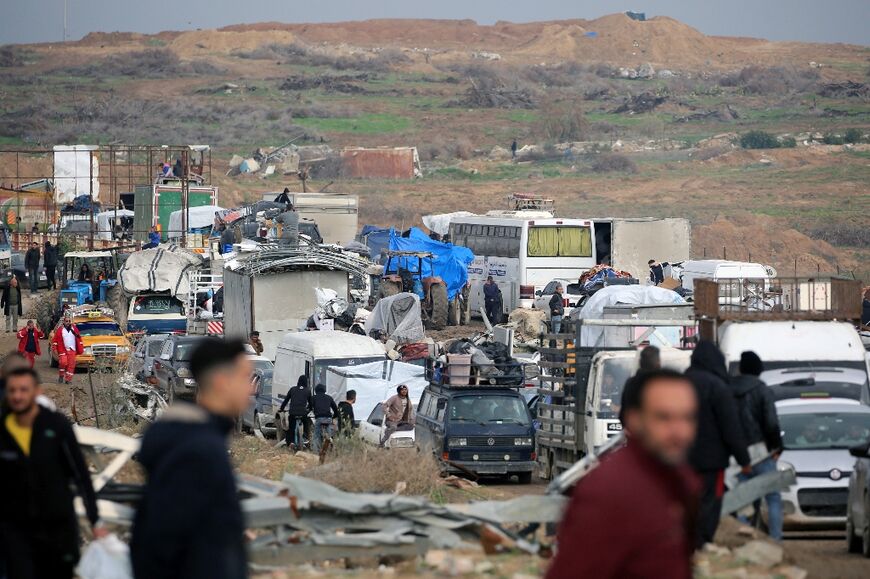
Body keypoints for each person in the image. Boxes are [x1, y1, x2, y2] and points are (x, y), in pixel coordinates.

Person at [546, 370, 700, 579]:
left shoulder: (682, 479)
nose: (679, 431)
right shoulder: (608, 491)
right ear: (634, 419)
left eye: (687, 418)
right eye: (664, 418)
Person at [131, 339, 250, 579]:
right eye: (246, 378)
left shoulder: (200, 439)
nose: (251, 388)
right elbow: (161, 542)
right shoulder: (198, 451)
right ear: (222, 383)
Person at [0, 367, 104, 579]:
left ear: (36, 392)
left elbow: (80, 474)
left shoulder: (56, 426)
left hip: (57, 529)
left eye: (23, 390)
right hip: (16, 531)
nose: (18, 396)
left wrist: (95, 520)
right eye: (12, 391)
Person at [685, 341, 751, 548]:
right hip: (712, 462)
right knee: (710, 502)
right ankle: (702, 543)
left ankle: (686, 542)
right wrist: (744, 460)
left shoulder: (680, 384)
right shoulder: (718, 387)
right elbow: (731, 427)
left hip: (681, 459)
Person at [731, 351, 784, 541]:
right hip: (762, 452)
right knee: (772, 497)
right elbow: (771, 423)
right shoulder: (763, 390)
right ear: (759, 370)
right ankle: (775, 540)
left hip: (736, 455)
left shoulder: (728, 390)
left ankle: (743, 537)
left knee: (742, 500)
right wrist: (777, 447)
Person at [279, 375, 311, 450]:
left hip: (293, 412)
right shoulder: (308, 390)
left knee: (291, 427)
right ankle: (305, 438)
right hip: (303, 413)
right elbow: (311, 403)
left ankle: (291, 442)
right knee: (306, 423)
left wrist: (281, 409)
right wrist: (308, 410)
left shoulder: (292, 389)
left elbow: (285, 401)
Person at [52, 316, 83, 384]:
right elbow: (55, 340)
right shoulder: (60, 330)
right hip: (63, 350)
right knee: (63, 362)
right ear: (64, 322)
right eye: (66, 321)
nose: (68, 322)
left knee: (71, 365)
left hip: (72, 350)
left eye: (69, 321)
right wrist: (54, 348)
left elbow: (79, 338)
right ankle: (61, 375)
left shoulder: (74, 328)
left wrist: (80, 347)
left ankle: (68, 380)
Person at [310, 383, 338, 452]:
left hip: (319, 418)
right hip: (328, 419)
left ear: (316, 390)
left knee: (316, 436)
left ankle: (316, 452)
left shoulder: (313, 397)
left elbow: (309, 407)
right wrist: (334, 416)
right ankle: (331, 446)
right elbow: (336, 409)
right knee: (329, 435)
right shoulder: (329, 398)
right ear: (324, 390)